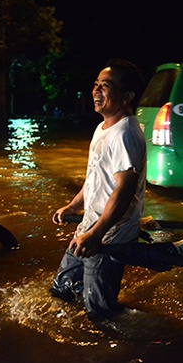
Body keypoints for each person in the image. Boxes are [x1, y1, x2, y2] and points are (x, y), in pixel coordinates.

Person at [49, 59, 147, 321]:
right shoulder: (103, 128)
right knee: (62, 291)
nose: (96, 91)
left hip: (108, 236)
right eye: (96, 85)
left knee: (100, 312)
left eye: (106, 87)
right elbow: (96, 177)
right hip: (89, 230)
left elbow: (124, 190)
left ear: (127, 96)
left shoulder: (124, 133)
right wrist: (74, 205)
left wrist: (97, 234)